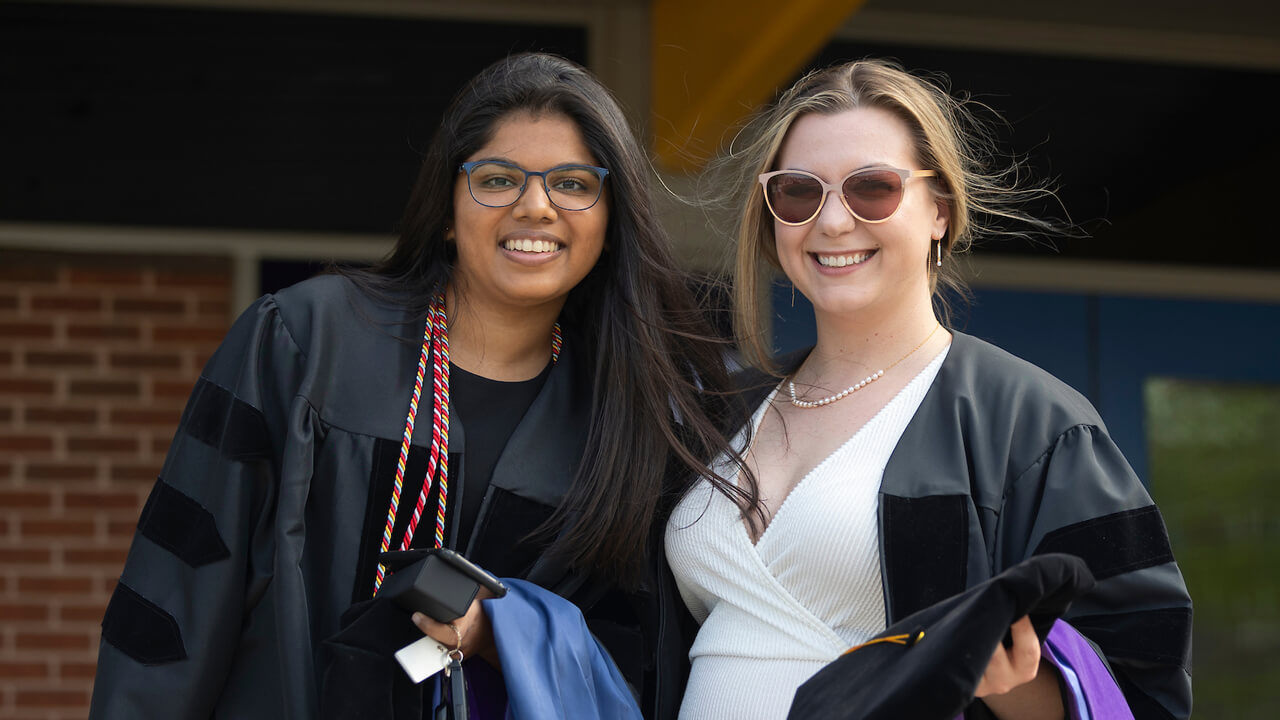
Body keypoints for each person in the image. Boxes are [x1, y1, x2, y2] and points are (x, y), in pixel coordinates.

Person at [90, 52, 738, 719]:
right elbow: (178, 599)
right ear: (448, 210)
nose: (536, 206)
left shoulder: (624, 423)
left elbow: (630, 674)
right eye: (497, 178)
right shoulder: (307, 342)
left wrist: (506, 634)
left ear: (610, 221)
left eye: (573, 184)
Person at [664, 58, 1193, 719]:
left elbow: (1138, 689)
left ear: (939, 209)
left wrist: (1006, 680)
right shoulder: (720, 411)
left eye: (872, 189)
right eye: (799, 192)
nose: (831, 222)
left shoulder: (1029, 425)